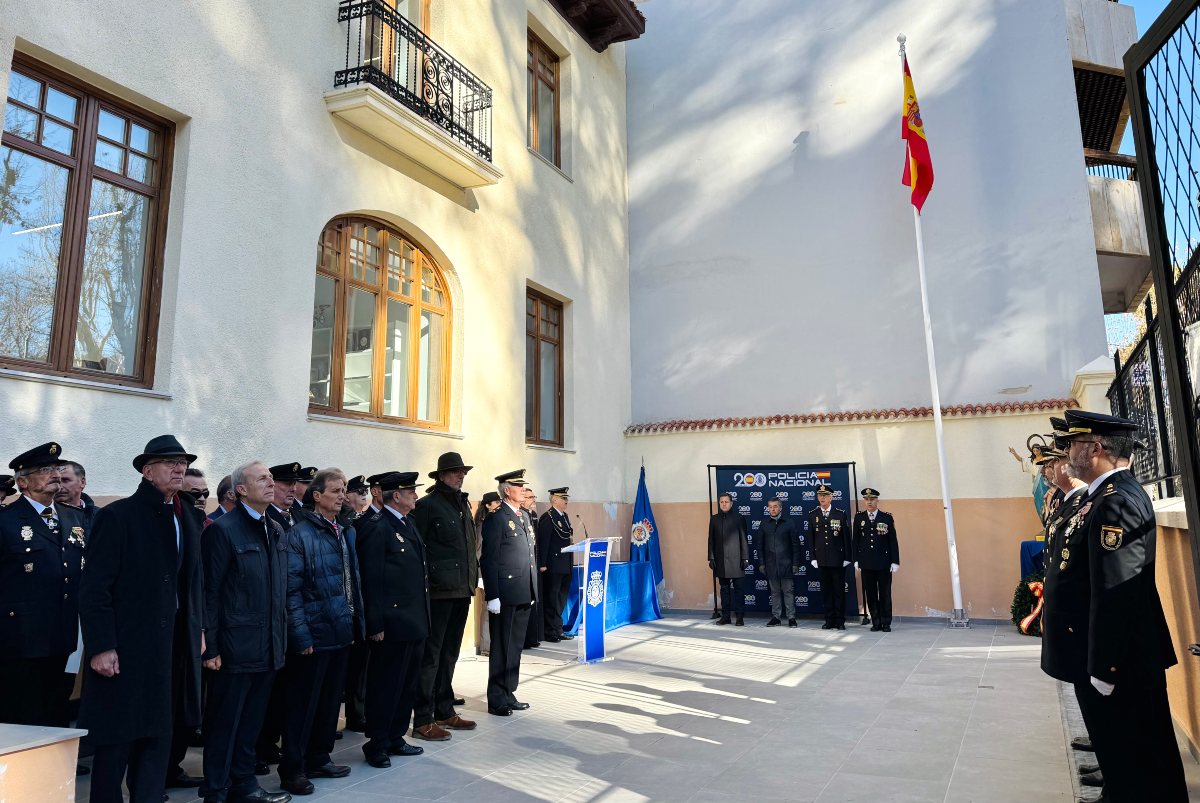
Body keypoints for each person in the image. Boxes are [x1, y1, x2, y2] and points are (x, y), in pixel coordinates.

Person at [1052, 409, 1186, 802]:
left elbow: (1117, 591)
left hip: (1118, 659)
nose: (1069, 452)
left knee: (1134, 755)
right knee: (1123, 756)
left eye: (1075, 444)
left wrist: (1104, 667)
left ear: (1095, 448)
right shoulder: (1105, 497)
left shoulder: (1116, 502)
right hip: (1104, 652)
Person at [78, 435, 204, 803]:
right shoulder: (118, 516)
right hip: (128, 646)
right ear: (148, 471)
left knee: (158, 736)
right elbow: (95, 589)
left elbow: (193, 582)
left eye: (182, 462)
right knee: (117, 738)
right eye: (169, 463)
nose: (179, 468)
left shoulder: (188, 516)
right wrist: (102, 646)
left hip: (171, 646)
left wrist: (197, 628)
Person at [200, 462, 291, 803]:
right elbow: (209, 593)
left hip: (268, 645)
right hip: (234, 648)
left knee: (252, 723)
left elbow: (280, 590)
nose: (271, 484)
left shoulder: (277, 528)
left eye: (271, 479)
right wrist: (211, 647)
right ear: (240, 489)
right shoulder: (223, 530)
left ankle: (245, 785)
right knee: (225, 723)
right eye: (262, 479)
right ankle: (216, 790)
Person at [279, 469, 363, 796]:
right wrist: (301, 635)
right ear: (317, 495)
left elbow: (350, 583)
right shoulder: (299, 534)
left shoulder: (341, 531)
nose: (342, 495)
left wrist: (356, 624)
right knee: (303, 705)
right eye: (335, 490)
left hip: (340, 630)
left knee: (329, 703)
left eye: (344, 490)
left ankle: (319, 757)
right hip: (313, 635)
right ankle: (293, 769)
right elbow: (292, 591)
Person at [0, 443, 86, 730]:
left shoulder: (73, 517)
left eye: (56, 469)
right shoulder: (6, 521)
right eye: (45, 470)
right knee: (22, 718)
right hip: (19, 642)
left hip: (62, 636)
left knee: (56, 714)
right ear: (22, 482)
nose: (55, 475)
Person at [355, 472, 429, 767]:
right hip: (391, 623)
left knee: (407, 684)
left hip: (413, 621)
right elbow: (371, 580)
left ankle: (396, 736)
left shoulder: (407, 523)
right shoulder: (377, 527)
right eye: (410, 491)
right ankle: (377, 743)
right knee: (385, 685)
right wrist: (375, 624)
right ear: (395, 496)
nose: (414, 495)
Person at [409, 452, 479, 741]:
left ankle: (444, 709)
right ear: (440, 476)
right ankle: (423, 718)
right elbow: (418, 549)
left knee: (450, 654)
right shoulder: (427, 506)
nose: (459, 476)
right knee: (431, 657)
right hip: (438, 592)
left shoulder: (462, 504)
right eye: (453, 472)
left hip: (461, 589)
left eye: (462, 471)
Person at [256, 462, 302, 772]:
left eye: (292, 485)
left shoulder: (291, 519)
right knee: (267, 694)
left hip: (288, 619)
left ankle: (269, 741)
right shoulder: (266, 520)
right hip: (269, 620)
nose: (289, 490)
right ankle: (260, 746)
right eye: (284, 485)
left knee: (284, 691)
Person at [480, 470, 537, 716]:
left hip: (523, 590)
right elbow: (489, 559)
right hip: (504, 593)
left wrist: (532, 587)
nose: (524, 490)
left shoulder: (523, 516)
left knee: (515, 646)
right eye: (519, 486)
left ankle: (509, 691)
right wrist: (492, 594)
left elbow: (530, 557)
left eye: (524, 486)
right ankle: (496, 698)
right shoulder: (497, 518)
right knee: (501, 646)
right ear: (506, 490)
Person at [341, 472, 374, 733]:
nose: (363, 494)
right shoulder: (346, 523)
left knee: (362, 664)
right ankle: (354, 711)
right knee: (352, 665)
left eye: (365, 491)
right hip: (348, 603)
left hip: (364, 600)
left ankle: (358, 712)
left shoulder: (365, 520)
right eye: (357, 491)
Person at [852, 488, 899, 632]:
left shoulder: (886, 517)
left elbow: (892, 541)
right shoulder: (859, 518)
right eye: (866, 499)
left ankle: (886, 622)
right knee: (871, 594)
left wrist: (895, 561)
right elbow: (856, 541)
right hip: (866, 563)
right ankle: (876, 621)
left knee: (885, 593)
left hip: (884, 562)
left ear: (877, 500)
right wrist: (856, 559)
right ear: (864, 501)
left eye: (872, 499)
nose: (869, 502)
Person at [806, 484, 852, 630]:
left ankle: (840, 620)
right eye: (820, 495)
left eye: (825, 496)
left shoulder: (840, 514)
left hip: (837, 559)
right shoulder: (813, 514)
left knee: (838, 591)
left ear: (831, 497)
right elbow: (811, 538)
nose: (822, 498)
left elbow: (846, 537)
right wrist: (813, 557)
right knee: (826, 592)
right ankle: (829, 619)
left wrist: (847, 557)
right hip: (822, 559)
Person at [537, 487, 575, 643]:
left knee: (561, 599)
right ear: (554, 500)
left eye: (567, 498)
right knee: (552, 599)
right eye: (563, 498)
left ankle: (558, 629)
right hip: (553, 565)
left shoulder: (564, 516)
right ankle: (550, 631)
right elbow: (543, 542)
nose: (566, 501)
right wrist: (543, 563)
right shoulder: (548, 517)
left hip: (565, 564)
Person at [707, 493, 748, 626]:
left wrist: (745, 558)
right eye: (721, 502)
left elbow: (744, 539)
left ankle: (740, 617)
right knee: (724, 590)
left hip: (737, 561)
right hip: (721, 561)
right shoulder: (714, 519)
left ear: (731, 503)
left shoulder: (739, 518)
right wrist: (711, 557)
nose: (724, 504)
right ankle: (725, 616)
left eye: (726, 502)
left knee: (739, 590)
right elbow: (711, 541)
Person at [759, 497, 798, 627]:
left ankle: (791, 618)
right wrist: (762, 563)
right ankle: (776, 617)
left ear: (780, 508)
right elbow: (760, 546)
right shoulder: (764, 524)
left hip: (786, 565)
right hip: (770, 565)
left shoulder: (789, 523)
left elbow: (796, 545)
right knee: (774, 592)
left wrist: (795, 564)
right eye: (770, 506)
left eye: (775, 506)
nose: (772, 509)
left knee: (788, 592)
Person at [473, 491, 502, 656]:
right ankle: (486, 646)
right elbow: (478, 550)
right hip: (484, 572)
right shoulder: (483, 523)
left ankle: (493, 644)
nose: (499, 505)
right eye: (496, 502)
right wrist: (480, 576)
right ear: (488, 505)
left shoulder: (494, 521)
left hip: (494, 571)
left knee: (494, 609)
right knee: (487, 609)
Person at [521, 487, 543, 649]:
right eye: (529, 497)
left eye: (533, 497)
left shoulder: (532, 515)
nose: (533, 499)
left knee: (535, 601)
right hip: (524, 566)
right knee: (527, 602)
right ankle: (526, 638)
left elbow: (537, 543)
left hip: (534, 563)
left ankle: (534, 636)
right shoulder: (520, 514)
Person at [56, 460, 98, 528]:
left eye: (65, 480)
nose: (59, 487)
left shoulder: (99, 515)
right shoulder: (46, 515)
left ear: (82, 482)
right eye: (56, 481)